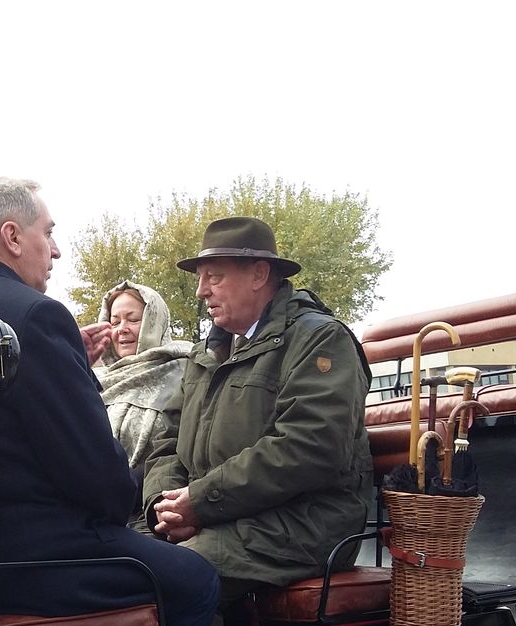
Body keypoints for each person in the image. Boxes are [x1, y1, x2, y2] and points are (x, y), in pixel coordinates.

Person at [0, 177, 219, 626]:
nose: (56, 251)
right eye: (47, 233)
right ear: (12, 238)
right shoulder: (35, 317)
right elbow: (99, 480)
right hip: (36, 560)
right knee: (196, 581)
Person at [144, 216, 373, 603]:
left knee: (167, 578)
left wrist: (200, 503)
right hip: (222, 517)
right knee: (113, 562)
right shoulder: (208, 352)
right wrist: (165, 506)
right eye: (201, 278)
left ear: (259, 274)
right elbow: (167, 439)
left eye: (214, 277)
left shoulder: (318, 339)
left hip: (304, 523)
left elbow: (310, 446)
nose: (201, 291)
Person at [95, 281, 192, 511]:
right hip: (97, 508)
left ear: (154, 321)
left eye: (134, 320)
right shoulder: (94, 378)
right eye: (115, 321)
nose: (122, 329)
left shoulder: (185, 370)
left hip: (158, 508)